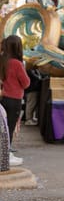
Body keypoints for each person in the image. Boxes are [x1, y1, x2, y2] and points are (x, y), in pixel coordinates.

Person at [0, 35, 30, 167]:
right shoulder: (17, 64)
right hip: (14, 100)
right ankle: (6, 155)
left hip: (2, 98)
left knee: (2, 127)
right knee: (9, 128)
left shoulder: (2, 60)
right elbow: (26, 83)